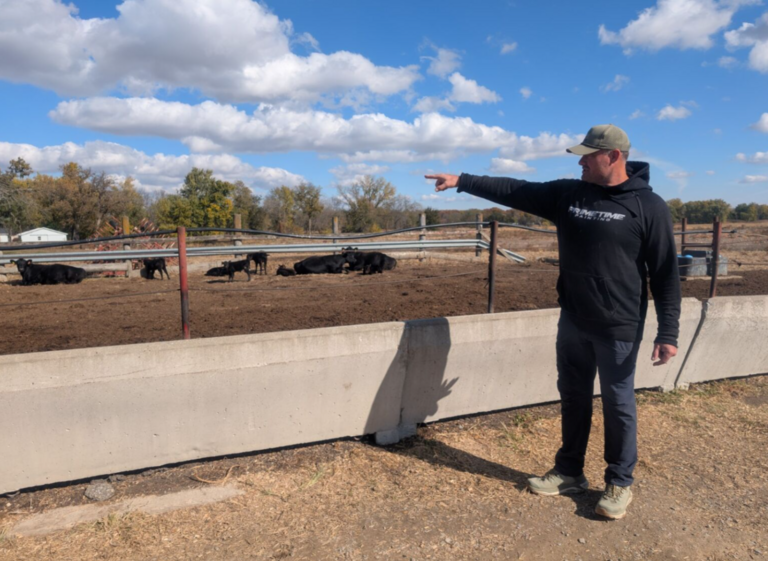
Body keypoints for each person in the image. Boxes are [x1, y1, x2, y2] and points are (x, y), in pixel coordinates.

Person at [426, 124, 681, 520]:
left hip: (620, 327)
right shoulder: (569, 194)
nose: (579, 161)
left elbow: (665, 275)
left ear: (613, 157)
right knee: (573, 396)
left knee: (618, 404)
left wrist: (668, 332)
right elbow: (516, 189)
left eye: (586, 155)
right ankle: (569, 471)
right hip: (573, 322)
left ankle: (619, 481)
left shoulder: (649, 207)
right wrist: (463, 181)